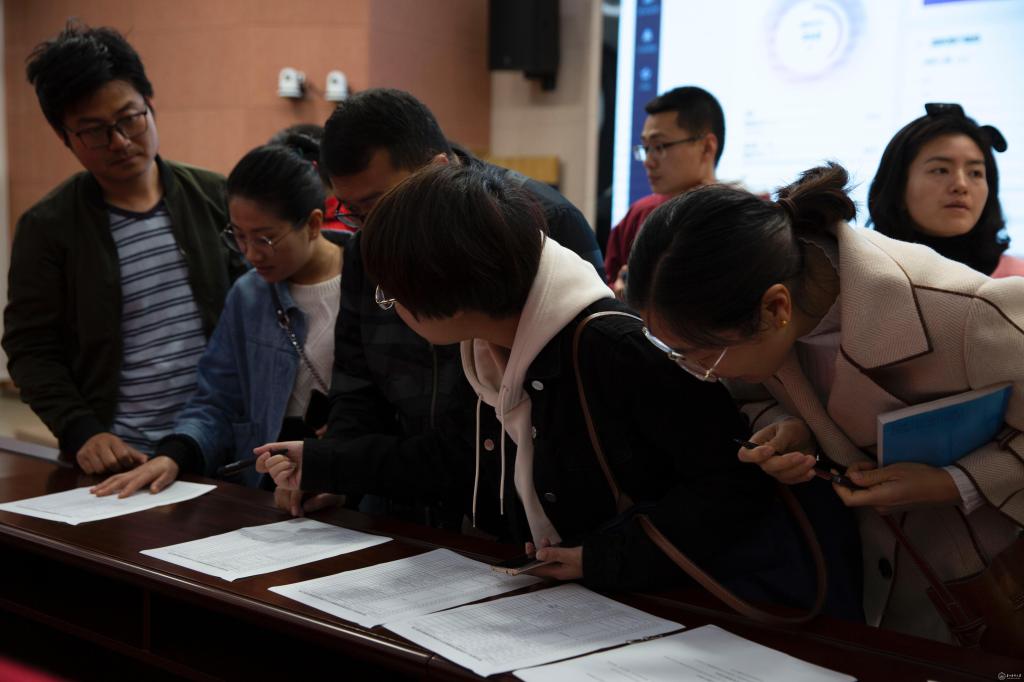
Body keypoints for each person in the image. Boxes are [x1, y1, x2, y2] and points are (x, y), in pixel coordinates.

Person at [256, 163, 851, 611]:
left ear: (449, 297)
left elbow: (730, 484)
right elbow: (457, 459)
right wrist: (326, 462)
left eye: (393, 295)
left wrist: (603, 557)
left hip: (654, 608)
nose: (390, 306)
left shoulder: (612, 346)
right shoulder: (490, 347)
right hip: (562, 601)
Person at [627, 163, 1024, 643]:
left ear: (776, 308)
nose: (704, 371)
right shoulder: (773, 295)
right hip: (876, 579)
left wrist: (953, 482)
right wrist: (792, 427)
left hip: (993, 580)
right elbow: (752, 393)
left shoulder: (966, 312)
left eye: (707, 356)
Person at [264, 88, 604, 523]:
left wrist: (345, 464)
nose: (371, 227)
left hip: (518, 504)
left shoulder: (535, 221)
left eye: (379, 203)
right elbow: (357, 382)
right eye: (352, 213)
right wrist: (335, 473)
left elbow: (569, 404)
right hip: (402, 496)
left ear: (437, 167)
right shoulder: (368, 243)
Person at [2, 23, 243, 474]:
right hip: (119, 459)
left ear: (150, 104)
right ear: (65, 137)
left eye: (129, 118)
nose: (119, 142)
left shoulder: (216, 197)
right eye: (94, 131)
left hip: (221, 448)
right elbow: (31, 348)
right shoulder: (48, 227)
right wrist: (81, 431)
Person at [91, 136, 346, 516]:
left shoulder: (372, 286)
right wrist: (174, 455)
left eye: (265, 238)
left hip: (353, 490)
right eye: (238, 236)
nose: (251, 254)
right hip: (268, 494)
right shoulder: (249, 294)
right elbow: (217, 400)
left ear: (312, 224)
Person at [869, 102, 1022, 277]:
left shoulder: (1017, 280)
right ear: (898, 186)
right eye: (940, 170)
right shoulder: (860, 274)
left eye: (975, 173)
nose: (961, 185)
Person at [604, 86, 723, 298]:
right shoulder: (639, 215)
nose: (648, 161)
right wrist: (620, 297)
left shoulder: (743, 218)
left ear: (706, 147)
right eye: (646, 148)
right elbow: (606, 291)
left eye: (659, 146)